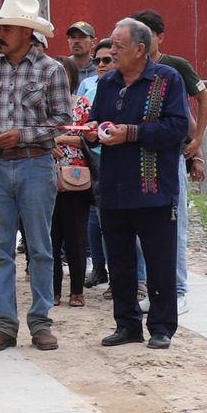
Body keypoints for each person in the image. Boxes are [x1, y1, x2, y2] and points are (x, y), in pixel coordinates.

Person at [0, 0, 71, 352]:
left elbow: (64, 119)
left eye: (7, 27)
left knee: (40, 248)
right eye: (0, 26)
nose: (0, 32)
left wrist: (24, 135)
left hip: (35, 163)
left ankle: (41, 322)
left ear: (28, 32)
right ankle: (5, 324)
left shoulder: (51, 70)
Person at [90, 18, 190, 350]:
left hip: (153, 189)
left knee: (160, 261)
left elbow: (177, 128)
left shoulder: (168, 79)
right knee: (119, 262)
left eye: (118, 46)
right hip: (114, 187)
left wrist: (130, 133)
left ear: (140, 49)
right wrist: (90, 131)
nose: (111, 51)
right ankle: (127, 324)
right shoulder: (106, 84)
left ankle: (161, 327)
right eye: (110, 45)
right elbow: (98, 122)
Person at [133, 9, 207, 314]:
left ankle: (178, 290)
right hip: (137, 158)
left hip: (169, 157)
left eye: (148, 33)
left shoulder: (176, 67)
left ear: (159, 37)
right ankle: (154, 288)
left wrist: (198, 142)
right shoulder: (132, 68)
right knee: (142, 230)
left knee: (173, 225)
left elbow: (203, 99)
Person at [50, 56, 96, 309]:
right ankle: (53, 290)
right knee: (50, 237)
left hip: (76, 180)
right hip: (44, 178)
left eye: (62, 73)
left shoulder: (83, 105)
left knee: (76, 236)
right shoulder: (41, 106)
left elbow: (89, 139)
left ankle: (77, 290)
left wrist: (56, 140)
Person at [85, 38, 115, 289]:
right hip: (95, 160)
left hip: (121, 162)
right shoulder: (92, 90)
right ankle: (98, 267)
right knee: (96, 218)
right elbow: (85, 125)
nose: (101, 65)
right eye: (97, 61)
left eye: (107, 60)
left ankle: (128, 277)